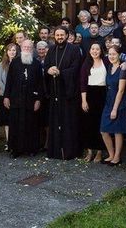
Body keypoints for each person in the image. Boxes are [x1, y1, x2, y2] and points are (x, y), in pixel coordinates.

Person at [44, 26, 81, 160]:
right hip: (54, 92)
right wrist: (49, 70)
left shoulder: (74, 49)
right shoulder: (51, 49)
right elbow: (46, 65)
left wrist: (61, 72)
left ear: (66, 36)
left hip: (68, 93)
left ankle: (69, 152)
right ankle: (54, 151)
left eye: (62, 35)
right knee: (55, 121)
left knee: (68, 122)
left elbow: (76, 68)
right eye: (57, 35)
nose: (59, 37)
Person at [3, 39, 43, 158]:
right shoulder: (14, 63)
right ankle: (15, 149)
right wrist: (6, 97)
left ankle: (31, 149)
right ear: (21, 48)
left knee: (31, 124)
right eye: (24, 47)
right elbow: (9, 81)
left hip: (31, 99)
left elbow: (40, 83)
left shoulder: (36, 64)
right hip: (16, 98)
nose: (26, 49)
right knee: (16, 124)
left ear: (32, 49)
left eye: (29, 47)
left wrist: (38, 100)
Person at [100, 45, 126, 166]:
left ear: (119, 55)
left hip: (119, 102)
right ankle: (111, 154)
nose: (112, 56)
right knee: (103, 130)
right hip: (108, 101)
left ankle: (117, 157)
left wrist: (115, 109)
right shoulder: (109, 67)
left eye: (114, 54)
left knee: (118, 131)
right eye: (110, 54)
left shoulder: (123, 68)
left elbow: (121, 90)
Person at [80, 42, 107, 163]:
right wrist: (84, 100)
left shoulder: (106, 61)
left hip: (103, 94)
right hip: (89, 95)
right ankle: (90, 150)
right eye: (92, 49)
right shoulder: (86, 63)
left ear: (101, 50)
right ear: (89, 50)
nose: (95, 51)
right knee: (88, 124)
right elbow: (83, 83)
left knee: (100, 124)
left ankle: (100, 151)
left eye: (97, 49)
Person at [0, 43, 17, 150]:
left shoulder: (20, 63)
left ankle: (16, 142)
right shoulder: (2, 64)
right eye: (10, 50)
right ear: (6, 52)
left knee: (16, 120)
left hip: (16, 96)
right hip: (4, 95)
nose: (12, 52)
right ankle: (8, 142)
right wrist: (7, 93)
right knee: (7, 121)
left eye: (14, 50)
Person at [36, 41, 50, 151]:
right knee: (39, 120)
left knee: (47, 120)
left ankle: (47, 143)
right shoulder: (35, 61)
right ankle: (39, 143)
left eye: (43, 49)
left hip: (48, 93)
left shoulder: (50, 61)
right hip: (37, 94)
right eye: (39, 49)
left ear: (47, 49)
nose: (41, 51)